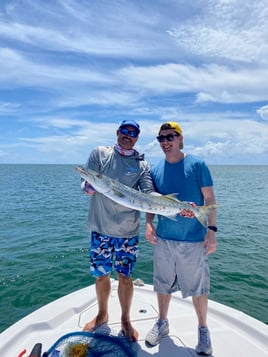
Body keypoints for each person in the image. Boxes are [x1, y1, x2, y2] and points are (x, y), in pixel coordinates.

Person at [145, 121, 217, 355]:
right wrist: (148, 224)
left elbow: (209, 200)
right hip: (164, 238)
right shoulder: (155, 170)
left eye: (170, 137)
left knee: (198, 288)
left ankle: (203, 330)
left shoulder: (198, 165)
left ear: (180, 139)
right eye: (161, 138)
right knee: (162, 284)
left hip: (193, 240)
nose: (165, 141)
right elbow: (152, 202)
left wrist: (211, 232)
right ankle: (162, 322)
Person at [80, 120, 155, 341]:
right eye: (125, 131)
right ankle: (102, 315)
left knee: (125, 277)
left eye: (133, 133)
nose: (128, 135)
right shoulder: (100, 154)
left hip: (128, 232)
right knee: (101, 276)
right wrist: (87, 187)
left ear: (137, 137)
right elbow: (87, 179)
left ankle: (125, 319)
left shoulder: (141, 165)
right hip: (100, 228)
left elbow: (148, 193)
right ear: (117, 132)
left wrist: (174, 206)